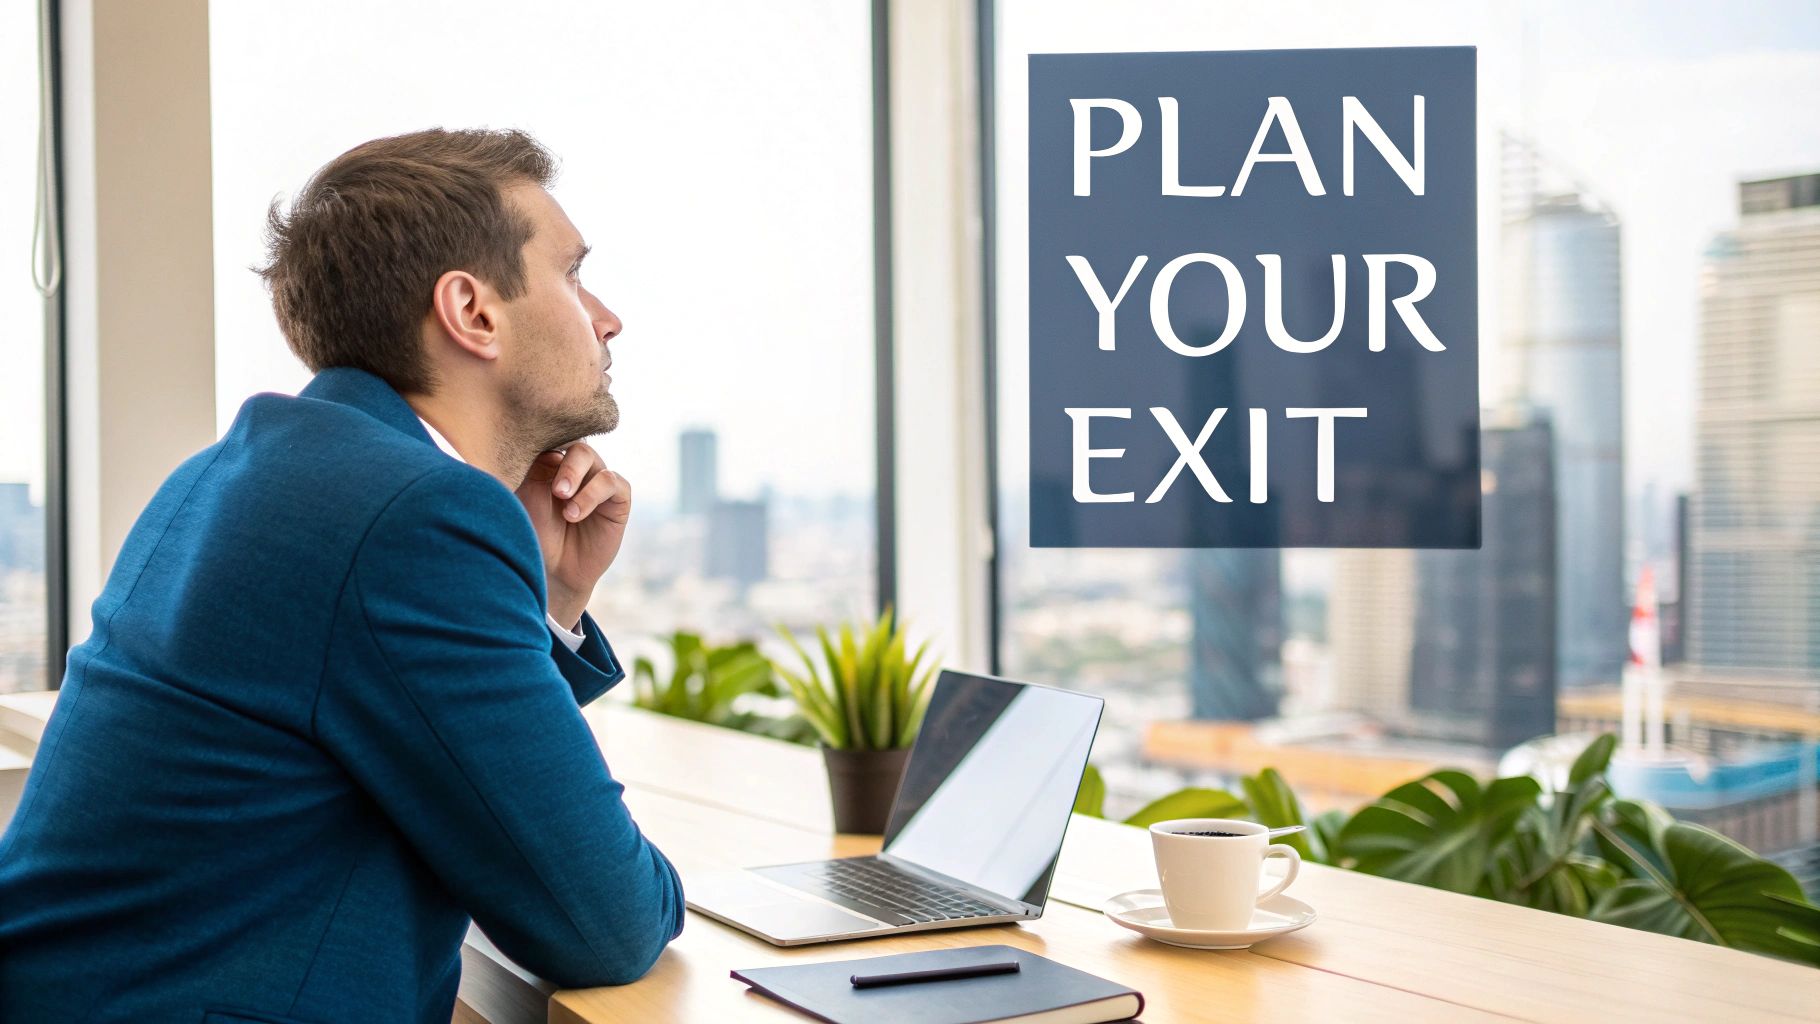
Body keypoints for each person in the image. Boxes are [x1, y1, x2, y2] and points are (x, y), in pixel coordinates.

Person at [0, 128, 684, 1024]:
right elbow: (605, 919)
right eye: (573, 274)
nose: (606, 317)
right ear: (472, 312)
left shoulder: (249, 468)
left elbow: (436, 751)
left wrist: (549, 600)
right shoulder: (410, 516)